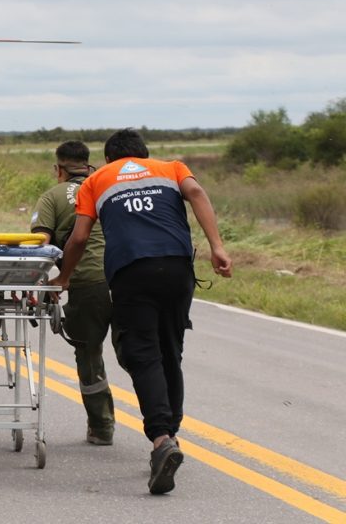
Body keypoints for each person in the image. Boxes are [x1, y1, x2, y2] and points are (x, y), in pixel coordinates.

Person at [49, 128, 232, 495]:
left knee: (142, 353)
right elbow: (196, 193)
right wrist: (217, 247)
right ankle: (171, 434)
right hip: (179, 269)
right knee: (170, 351)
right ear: (144, 154)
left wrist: (64, 278)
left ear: (109, 158)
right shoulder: (172, 168)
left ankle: (161, 438)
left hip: (132, 272)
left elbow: (80, 237)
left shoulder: (96, 180)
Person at [30, 141, 116, 446]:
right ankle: (163, 431)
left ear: (59, 169)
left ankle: (102, 428)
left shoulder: (53, 196)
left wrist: (43, 282)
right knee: (140, 356)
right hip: (126, 278)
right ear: (88, 164)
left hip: (87, 281)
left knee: (89, 353)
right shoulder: (108, 187)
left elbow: (40, 244)